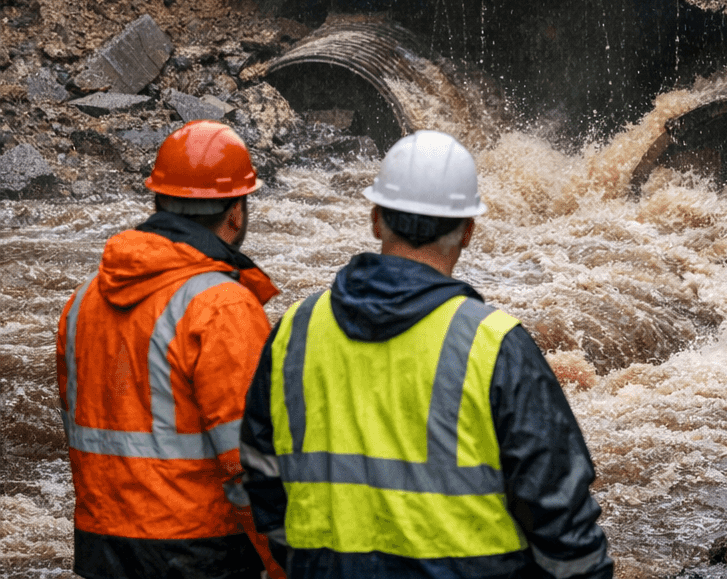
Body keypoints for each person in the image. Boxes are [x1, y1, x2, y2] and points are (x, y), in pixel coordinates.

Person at [241, 129, 613, 579]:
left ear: (376, 219)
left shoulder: (295, 331)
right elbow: (561, 517)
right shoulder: (494, 345)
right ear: (469, 231)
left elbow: (262, 476)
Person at [57, 120, 286, 579]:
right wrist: (281, 562)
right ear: (236, 212)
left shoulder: (84, 300)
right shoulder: (223, 305)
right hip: (201, 551)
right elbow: (249, 463)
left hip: (102, 549)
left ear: (157, 200)